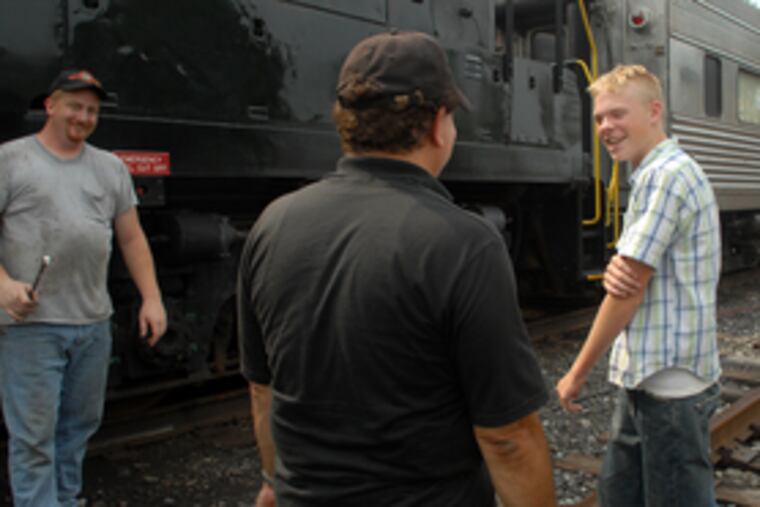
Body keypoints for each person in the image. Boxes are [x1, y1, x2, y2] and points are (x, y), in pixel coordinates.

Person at [237, 31, 556, 507]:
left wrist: (271, 480)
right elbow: (507, 436)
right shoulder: (465, 244)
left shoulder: (273, 224)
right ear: (436, 125)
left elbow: (263, 390)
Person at [556, 64, 722, 506]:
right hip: (647, 376)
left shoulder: (665, 177)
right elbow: (629, 275)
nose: (606, 127)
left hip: (668, 386)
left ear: (653, 111)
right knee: (620, 493)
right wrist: (620, 269)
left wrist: (577, 373)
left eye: (617, 114)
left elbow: (626, 291)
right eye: (599, 118)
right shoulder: (655, 173)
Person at [0, 69, 167, 506]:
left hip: (92, 324)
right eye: (75, 106)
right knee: (34, 438)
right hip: (31, 326)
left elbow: (131, 237)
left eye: (92, 110)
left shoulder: (109, 167)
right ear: (50, 105)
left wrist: (151, 298)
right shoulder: (11, 161)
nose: (84, 116)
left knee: (77, 430)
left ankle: (66, 499)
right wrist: (2, 284)